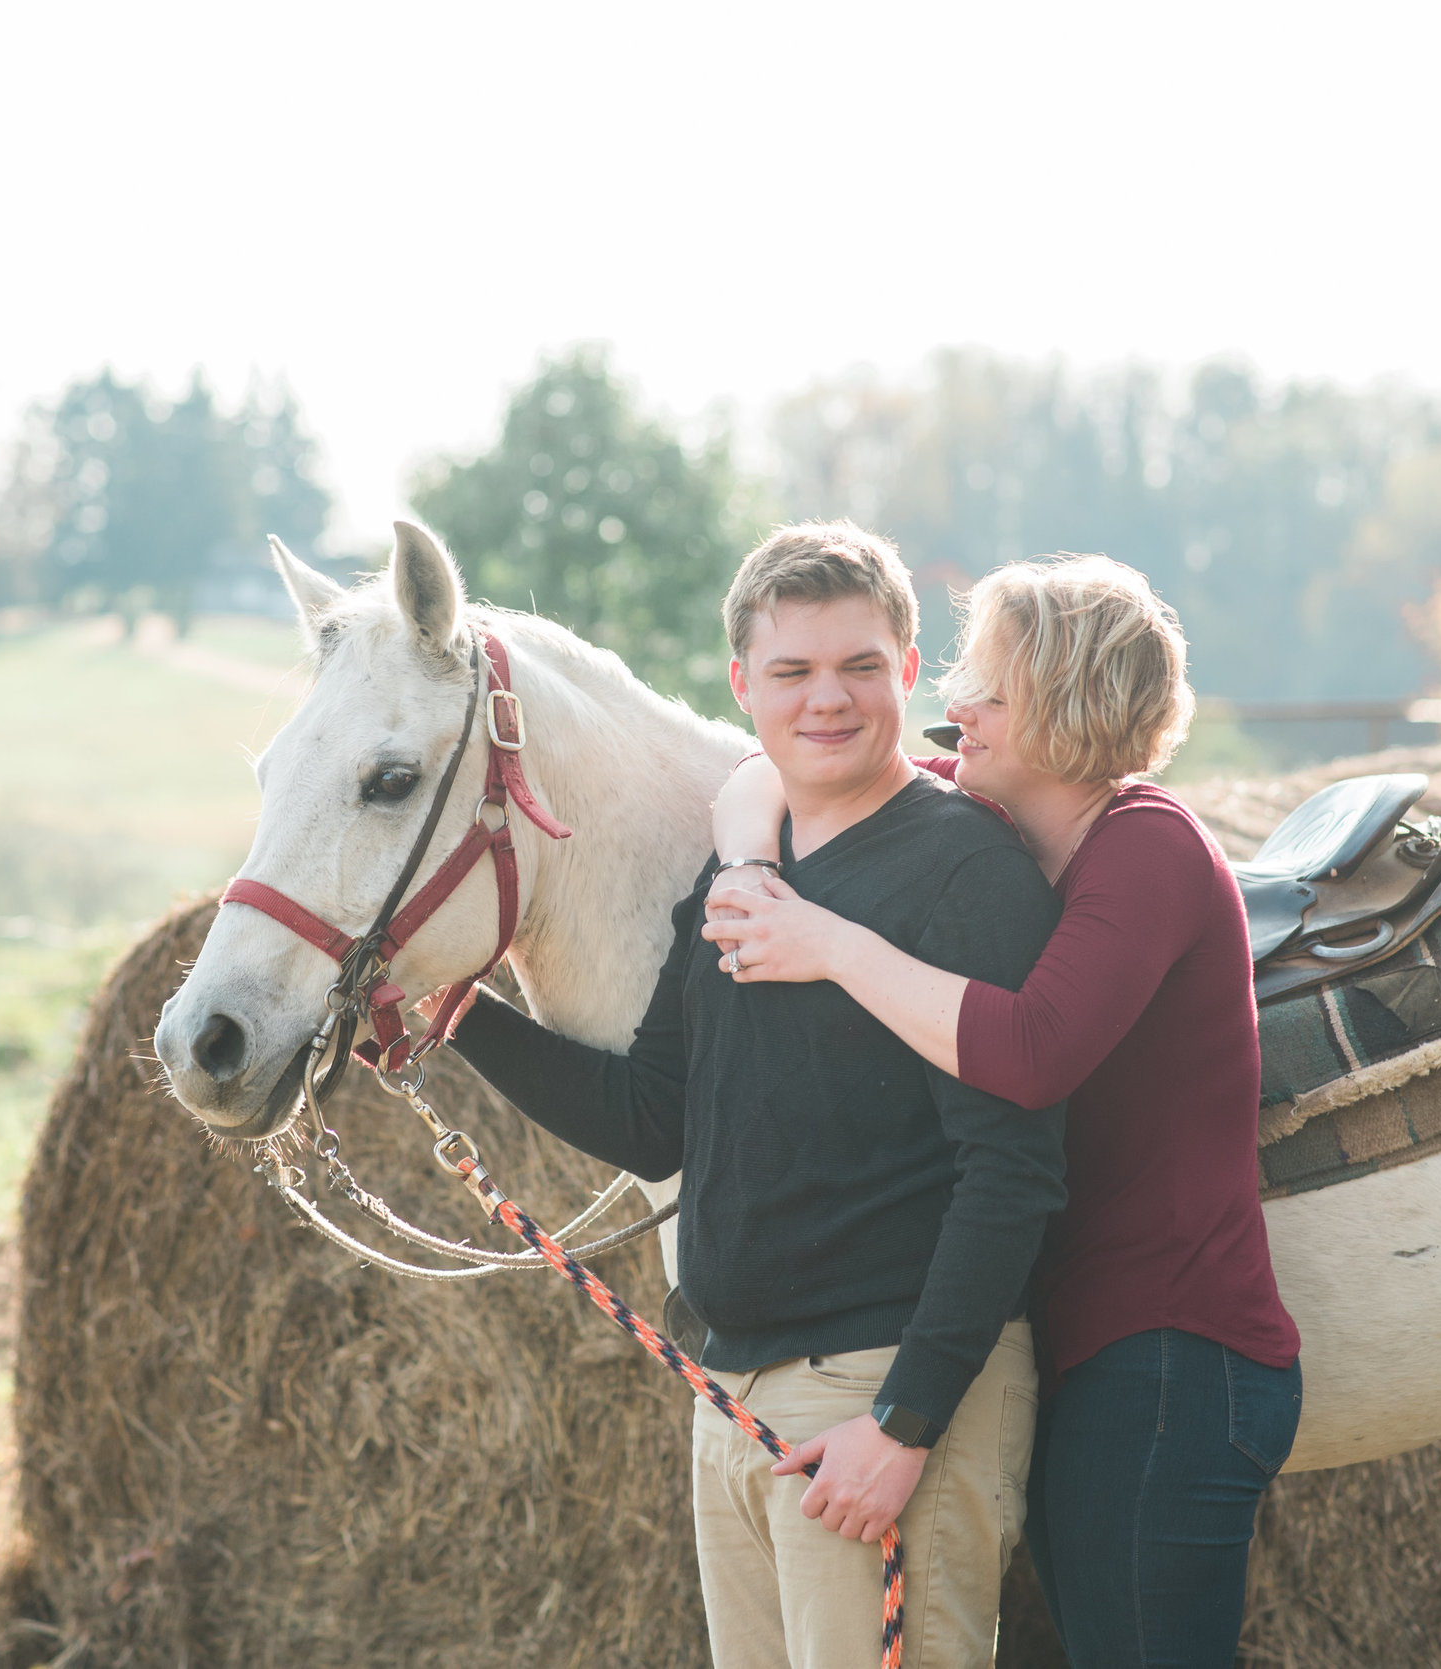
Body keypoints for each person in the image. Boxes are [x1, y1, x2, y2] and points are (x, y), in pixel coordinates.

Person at [446, 522, 1067, 1669]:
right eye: (791, 671)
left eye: (858, 667)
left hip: (878, 1397)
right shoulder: (734, 874)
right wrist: (460, 1016)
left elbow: (1013, 1172)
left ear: (906, 669)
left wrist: (905, 1424)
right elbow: (654, 1117)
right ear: (742, 685)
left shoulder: (966, 872)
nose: (826, 700)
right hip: (728, 1396)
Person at [703, 554, 1301, 1669]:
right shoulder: (999, 813)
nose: (955, 706)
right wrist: (745, 866)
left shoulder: (1149, 848)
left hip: (1171, 1353)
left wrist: (825, 942)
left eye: (990, 688)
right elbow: (760, 773)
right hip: (1088, 1346)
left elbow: (1028, 1055)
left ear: (1067, 710)